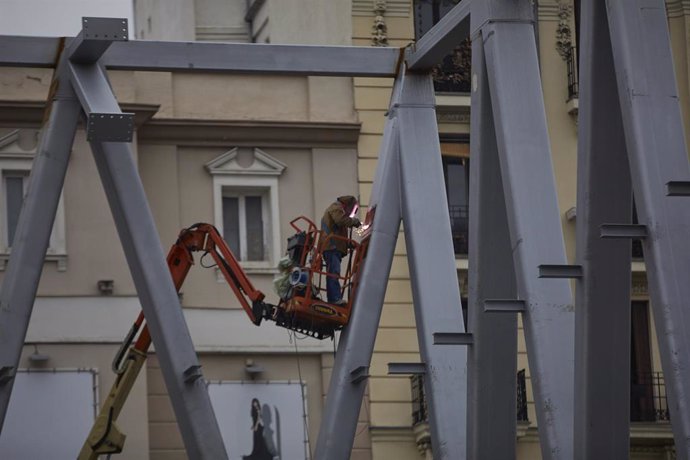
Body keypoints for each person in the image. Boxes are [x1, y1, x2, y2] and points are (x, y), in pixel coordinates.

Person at [320, 195, 361, 305]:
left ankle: (334, 298)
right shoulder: (336, 207)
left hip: (333, 246)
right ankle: (334, 299)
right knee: (334, 273)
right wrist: (355, 222)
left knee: (333, 272)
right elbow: (340, 221)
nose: (350, 214)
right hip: (331, 246)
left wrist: (348, 244)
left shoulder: (338, 209)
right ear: (347, 205)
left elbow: (337, 230)